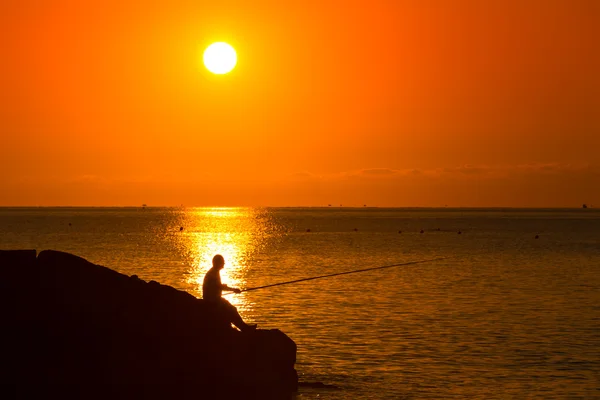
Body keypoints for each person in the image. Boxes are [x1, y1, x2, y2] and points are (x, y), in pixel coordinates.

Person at [202, 254, 257, 332]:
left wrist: (226, 288)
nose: (224, 264)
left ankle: (244, 327)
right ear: (218, 263)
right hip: (213, 301)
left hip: (214, 299)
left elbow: (218, 286)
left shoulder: (214, 271)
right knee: (231, 309)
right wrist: (233, 290)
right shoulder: (213, 273)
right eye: (222, 262)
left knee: (231, 309)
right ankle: (244, 328)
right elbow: (219, 287)